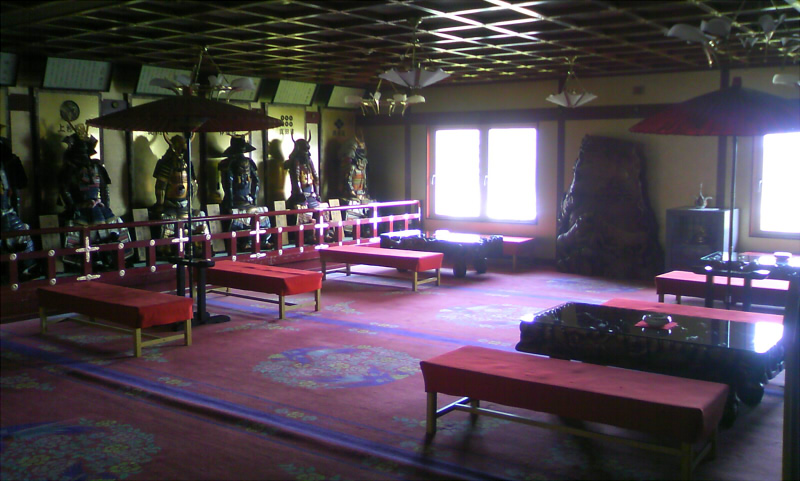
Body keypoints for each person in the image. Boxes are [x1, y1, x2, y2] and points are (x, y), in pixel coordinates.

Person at [60, 125, 132, 269]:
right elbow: (65, 190)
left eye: (85, 150)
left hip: (98, 206)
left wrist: (105, 205)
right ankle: (88, 260)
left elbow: (104, 189)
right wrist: (75, 207)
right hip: (80, 208)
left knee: (116, 225)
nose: (84, 154)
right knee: (78, 230)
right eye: (80, 151)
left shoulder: (97, 167)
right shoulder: (69, 169)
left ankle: (115, 256)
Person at [151, 134, 208, 255]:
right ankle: (166, 248)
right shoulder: (166, 164)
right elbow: (160, 187)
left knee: (200, 215)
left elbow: (193, 186)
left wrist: (190, 204)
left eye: (183, 149)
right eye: (179, 148)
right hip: (170, 206)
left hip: (186, 206)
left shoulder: (188, 164)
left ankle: (202, 246)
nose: (181, 152)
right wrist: (160, 204)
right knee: (166, 219)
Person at [218, 136, 271, 249]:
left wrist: (253, 198)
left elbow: (256, 181)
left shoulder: (249, 163)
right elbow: (228, 184)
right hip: (236, 201)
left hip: (247, 200)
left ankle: (262, 240)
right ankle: (243, 242)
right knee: (237, 217)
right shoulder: (227, 164)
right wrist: (231, 201)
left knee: (260, 214)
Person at [0, 131, 37, 280]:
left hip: (7, 210)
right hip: (5, 211)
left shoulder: (7, 163)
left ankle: (25, 269)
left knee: (23, 236)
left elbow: (19, 184)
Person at [338, 128, 373, 236]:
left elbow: (365, 180)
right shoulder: (351, 167)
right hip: (351, 194)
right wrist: (352, 192)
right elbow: (347, 181)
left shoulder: (364, 166)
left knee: (370, 205)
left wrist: (365, 192)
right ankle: (351, 230)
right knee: (353, 206)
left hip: (361, 193)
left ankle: (367, 228)